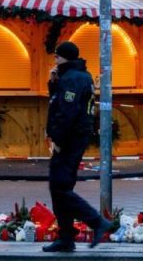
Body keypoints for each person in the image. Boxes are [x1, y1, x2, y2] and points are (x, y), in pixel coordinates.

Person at [42, 41, 111, 252]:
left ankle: (97, 222)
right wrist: (54, 83)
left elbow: (66, 112)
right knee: (60, 187)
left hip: (70, 139)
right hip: (76, 137)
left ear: (63, 57)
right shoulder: (79, 76)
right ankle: (66, 237)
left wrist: (59, 140)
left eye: (56, 57)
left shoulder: (72, 78)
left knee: (60, 187)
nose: (54, 60)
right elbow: (60, 101)